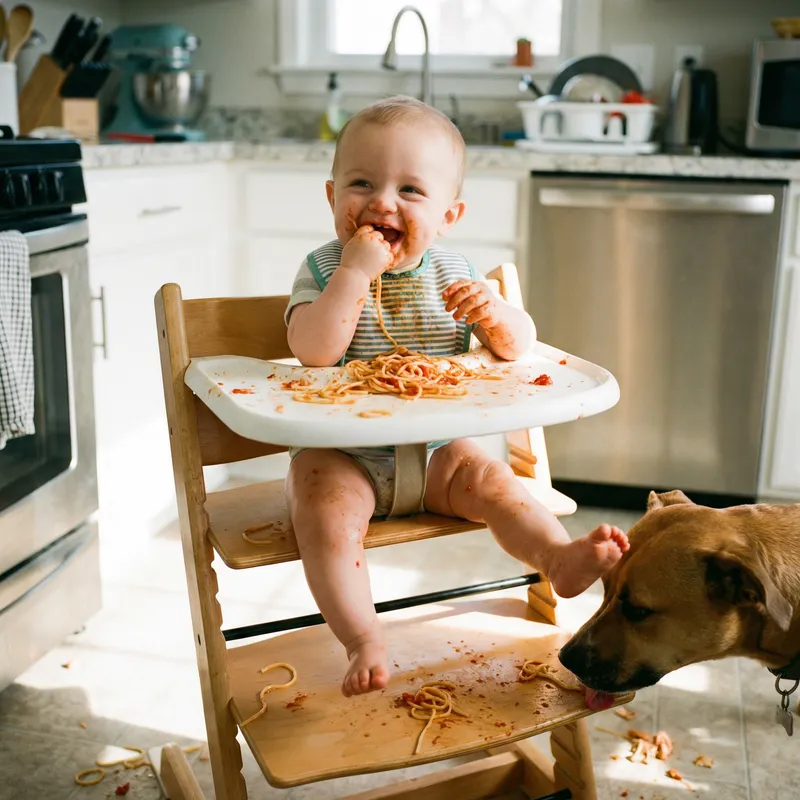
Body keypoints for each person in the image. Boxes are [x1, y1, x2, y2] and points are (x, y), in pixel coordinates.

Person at [284, 95, 629, 698]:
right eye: (361, 182)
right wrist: (354, 275)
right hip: (343, 458)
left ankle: (558, 559)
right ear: (332, 196)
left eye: (411, 191)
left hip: (441, 454)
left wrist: (496, 315)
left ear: (449, 215)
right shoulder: (322, 269)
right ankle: (362, 636)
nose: (382, 202)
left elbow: (519, 349)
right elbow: (313, 351)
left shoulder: (455, 272)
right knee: (324, 518)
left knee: (497, 483)